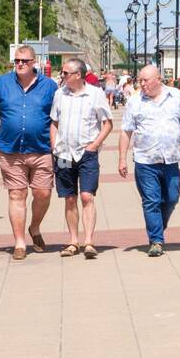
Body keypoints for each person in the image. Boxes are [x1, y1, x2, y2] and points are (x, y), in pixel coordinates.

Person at [0, 44, 58, 260]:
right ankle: (19, 242)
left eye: (24, 61)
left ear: (34, 62)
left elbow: (58, 118)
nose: (19, 64)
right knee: (17, 194)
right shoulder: (2, 84)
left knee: (43, 193)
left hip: (42, 149)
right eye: (16, 60)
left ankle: (34, 227)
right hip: (11, 150)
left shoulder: (49, 86)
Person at [118, 64, 180, 257]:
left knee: (171, 198)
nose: (142, 84)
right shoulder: (135, 102)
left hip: (171, 159)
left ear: (158, 79)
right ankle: (156, 240)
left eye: (145, 80)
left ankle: (158, 228)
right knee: (151, 201)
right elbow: (126, 130)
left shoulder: (176, 96)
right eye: (140, 80)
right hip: (145, 160)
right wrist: (122, 158)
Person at [50, 58, 112, 259]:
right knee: (69, 198)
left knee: (87, 196)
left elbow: (107, 123)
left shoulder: (95, 94)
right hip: (63, 153)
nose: (62, 76)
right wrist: (54, 147)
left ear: (78, 75)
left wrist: (94, 145)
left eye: (66, 73)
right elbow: (54, 122)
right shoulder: (60, 94)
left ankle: (89, 242)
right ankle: (73, 241)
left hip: (87, 154)